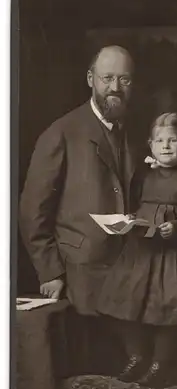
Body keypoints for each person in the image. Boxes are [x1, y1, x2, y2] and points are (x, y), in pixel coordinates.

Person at [19, 45, 140, 317]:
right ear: (90, 80)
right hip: (79, 276)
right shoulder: (61, 133)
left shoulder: (135, 132)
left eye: (125, 79)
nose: (115, 87)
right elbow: (32, 212)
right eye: (107, 78)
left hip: (129, 272)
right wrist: (50, 272)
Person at [97, 112, 177, 388]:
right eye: (159, 140)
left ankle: (161, 364)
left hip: (173, 258)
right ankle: (137, 356)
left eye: (173, 140)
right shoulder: (143, 176)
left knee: (166, 308)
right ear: (150, 145)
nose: (166, 146)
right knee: (123, 299)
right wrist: (128, 222)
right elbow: (136, 208)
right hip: (141, 253)